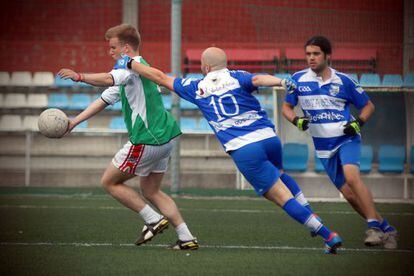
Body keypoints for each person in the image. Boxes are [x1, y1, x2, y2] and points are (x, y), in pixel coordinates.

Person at [115, 47, 343, 254]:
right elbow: (258, 79)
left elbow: (161, 77)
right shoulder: (237, 75)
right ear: (225, 63)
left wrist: (130, 63)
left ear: (205, 68)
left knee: (281, 197)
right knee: (281, 174)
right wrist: (281, 83)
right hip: (269, 138)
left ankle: (327, 235)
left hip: (245, 148)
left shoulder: (197, 86)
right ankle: (311, 216)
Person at [57, 24, 198, 250]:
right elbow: (104, 99)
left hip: (147, 139)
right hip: (166, 138)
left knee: (110, 182)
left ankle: (153, 219)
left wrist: (79, 76)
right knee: (151, 191)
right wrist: (74, 122)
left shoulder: (128, 66)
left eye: (112, 47)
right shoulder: (140, 68)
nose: (109, 51)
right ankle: (186, 237)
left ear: (125, 48)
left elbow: (107, 79)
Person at [281, 35, 398, 249]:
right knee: (349, 195)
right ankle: (387, 229)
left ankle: (372, 227)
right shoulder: (297, 80)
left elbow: (368, 106)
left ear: (327, 55)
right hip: (323, 147)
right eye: (308, 54)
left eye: (316, 54)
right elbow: (286, 108)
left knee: (352, 178)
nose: (311, 58)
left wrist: (358, 123)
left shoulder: (344, 80)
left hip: (347, 139)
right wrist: (296, 120)